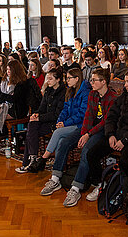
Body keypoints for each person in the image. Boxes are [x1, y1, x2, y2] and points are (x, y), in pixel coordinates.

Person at [62, 69, 128, 207]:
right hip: (117, 135)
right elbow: (111, 117)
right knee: (92, 153)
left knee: (125, 161)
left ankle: (125, 191)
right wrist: (110, 135)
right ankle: (101, 184)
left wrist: (125, 141)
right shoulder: (124, 97)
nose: (125, 85)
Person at [39, 68, 117, 206]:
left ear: (103, 82)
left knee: (86, 150)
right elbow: (88, 115)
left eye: (94, 80)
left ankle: (76, 188)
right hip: (87, 129)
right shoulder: (93, 94)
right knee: (63, 142)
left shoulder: (112, 97)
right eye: (91, 79)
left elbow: (106, 122)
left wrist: (87, 135)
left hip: (102, 131)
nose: (91, 82)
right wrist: (83, 133)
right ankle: (55, 178)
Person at [24, 68, 91, 173]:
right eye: (67, 78)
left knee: (57, 132)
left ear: (77, 79)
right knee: (32, 128)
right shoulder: (70, 91)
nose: (67, 80)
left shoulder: (85, 93)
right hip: (67, 122)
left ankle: (43, 159)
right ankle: (41, 164)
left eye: (69, 78)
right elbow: (64, 109)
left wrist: (63, 123)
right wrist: (60, 121)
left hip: (79, 124)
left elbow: (81, 114)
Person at [17, 68, 66, 172]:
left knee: (31, 132)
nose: (47, 81)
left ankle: (28, 162)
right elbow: (42, 108)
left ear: (58, 80)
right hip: (45, 120)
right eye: (47, 79)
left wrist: (39, 117)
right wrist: (36, 114)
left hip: (56, 123)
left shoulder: (63, 92)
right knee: (31, 127)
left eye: (50, 79)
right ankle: (32, 159)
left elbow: (57, 114)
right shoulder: (48, 90)